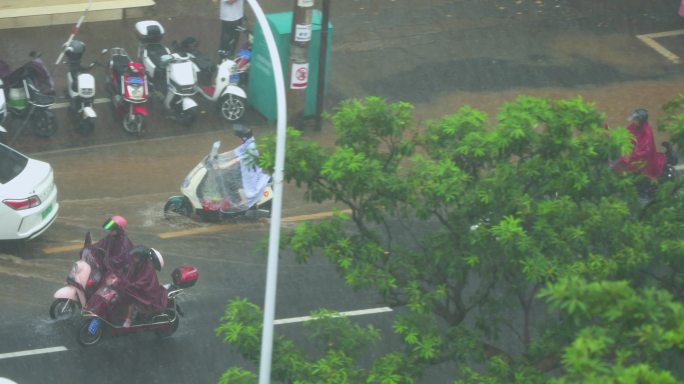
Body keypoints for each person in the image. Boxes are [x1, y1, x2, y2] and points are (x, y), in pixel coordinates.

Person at [118, 246, 167, 327]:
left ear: (142, 258)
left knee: (132, 301)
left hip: (148, 293)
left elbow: (142, 282)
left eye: (136, 256)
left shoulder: (149, 268)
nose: (134, 258)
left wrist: (129, 285)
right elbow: (130, 273)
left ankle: (128, 320)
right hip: (139, 288)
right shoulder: (137, 263)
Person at [611, 108, 665, 180]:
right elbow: (626, 133)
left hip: (642, 158)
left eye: (635, 120)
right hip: (631, 154)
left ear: (641, 121)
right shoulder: (633, 126)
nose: (633, 121)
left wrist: (632, 155)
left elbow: (645, 149)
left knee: (628, 167)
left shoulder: (646, 131)